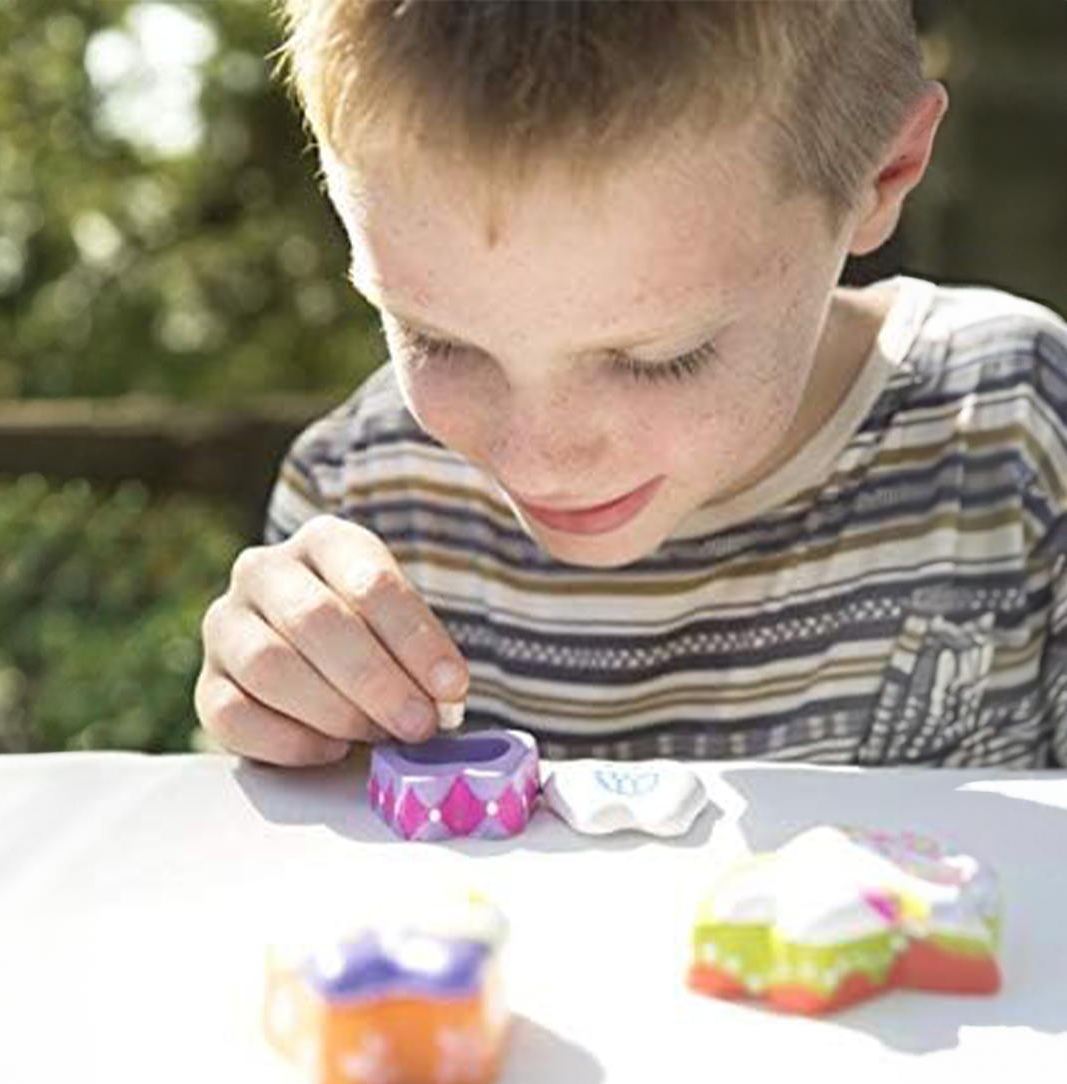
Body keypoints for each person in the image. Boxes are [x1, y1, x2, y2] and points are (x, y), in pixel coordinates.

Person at [195, 1, 1066, 769]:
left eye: (662, 357)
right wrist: (282, 716)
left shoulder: (1016, 430)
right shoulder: (361, 499)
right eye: (437, 341)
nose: (541, 462)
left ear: (880, 177)